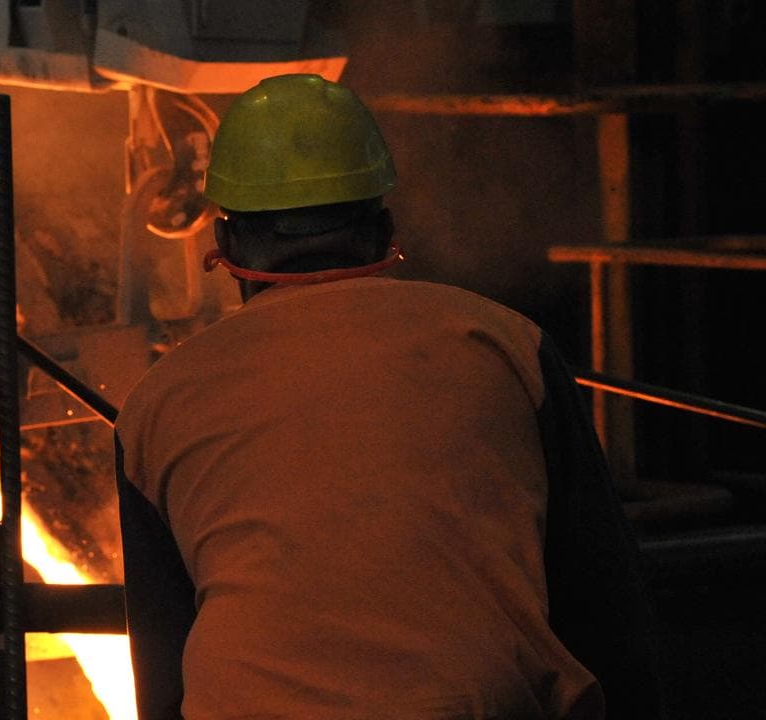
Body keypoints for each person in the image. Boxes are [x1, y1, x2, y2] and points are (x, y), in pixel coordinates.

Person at [113, 74, 663, 719]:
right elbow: (604, 600)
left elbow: (160, 659)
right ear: (383, 229)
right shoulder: (507, 346)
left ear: (227, 246)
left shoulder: (154, 405)